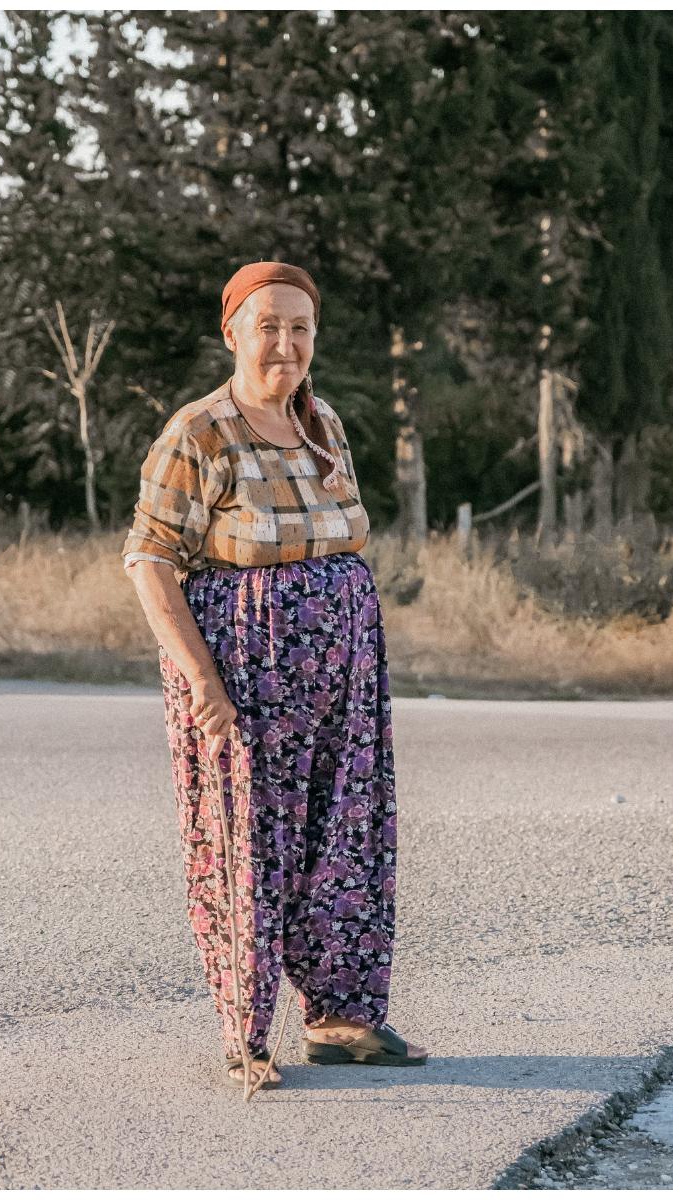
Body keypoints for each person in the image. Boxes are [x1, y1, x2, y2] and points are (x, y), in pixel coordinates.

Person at [123, 262, 428, 1092]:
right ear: (233, 333)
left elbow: (343, 536)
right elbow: (148, 560)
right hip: (247, 676)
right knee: (252, 845)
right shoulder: (200, 431)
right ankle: (245, 1038)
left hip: (343, 674)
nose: (286, 343)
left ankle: (342, 1020)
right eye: (269, 327)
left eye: (301, 327)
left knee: (348, 837)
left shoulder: (321, 419)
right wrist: (202, 682)